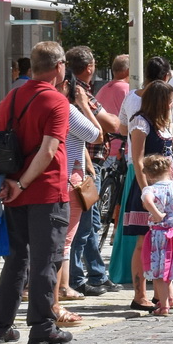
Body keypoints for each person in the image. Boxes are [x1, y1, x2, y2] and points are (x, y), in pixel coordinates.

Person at [0, 42, 73, 344]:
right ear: (59, 66)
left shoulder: (11, 97)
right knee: (45, 261)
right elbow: (49, 150)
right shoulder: (57, 101)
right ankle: (42, 325)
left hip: (12, 192)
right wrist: (23, 183)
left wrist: (7, 182)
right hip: (45, 190)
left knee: (16, 260)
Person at [114, 81, 173, 309]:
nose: (172, 104)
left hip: (166, 186)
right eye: (169, 100)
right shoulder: (141, 123)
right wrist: (145, 190)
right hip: (147, 187)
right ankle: (139, 294)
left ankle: (163, 294)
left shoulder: (163, 122)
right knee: (144, 241)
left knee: (166, 240)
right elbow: (138, 159)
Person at [64, 46, 122, 297]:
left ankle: (96, 273)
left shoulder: (77, 90)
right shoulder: (80, 93)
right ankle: (77, 278)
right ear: (89, 67)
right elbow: (102, 129)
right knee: (83, 224)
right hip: (83, 166)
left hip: (85, 163)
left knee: (90, 222)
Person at [139, 153, 173, 317]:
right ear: (170, 169)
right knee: (170, 268)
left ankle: (164, 307)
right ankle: (170, 299)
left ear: (147, 174)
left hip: (159, 235)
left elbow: (147, 200)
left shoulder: (151, 189)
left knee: (159, 271)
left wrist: (156, 213)